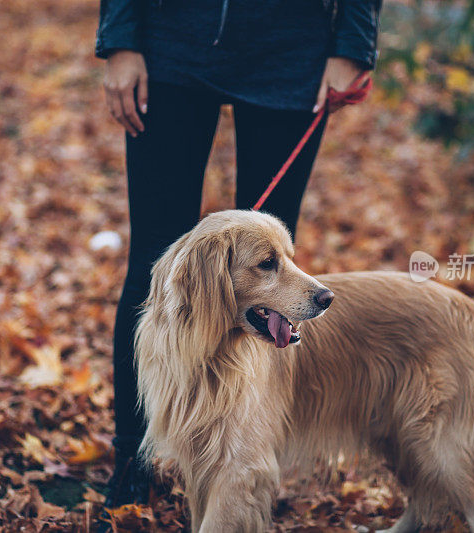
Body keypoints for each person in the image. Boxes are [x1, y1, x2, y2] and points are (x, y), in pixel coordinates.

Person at [95, 0, 382, 511]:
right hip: (171, 44)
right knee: (153, 270)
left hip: (291, 50)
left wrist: (354, 44)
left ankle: (242, 457)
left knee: (269, 278)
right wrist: (120, 39)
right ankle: (134, 460)